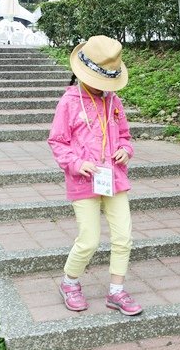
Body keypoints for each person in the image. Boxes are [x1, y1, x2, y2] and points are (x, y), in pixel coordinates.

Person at [47, 35, 142, 316]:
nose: (103, 88)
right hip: (82, 179)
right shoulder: (68, 102)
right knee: (88, 240)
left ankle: (116, 291)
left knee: (124, 237)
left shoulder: (114, 101)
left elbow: (125, 135)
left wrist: (125, 149)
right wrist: (76, 164)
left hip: (114, 178)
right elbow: (57, 141)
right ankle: (69, 282)